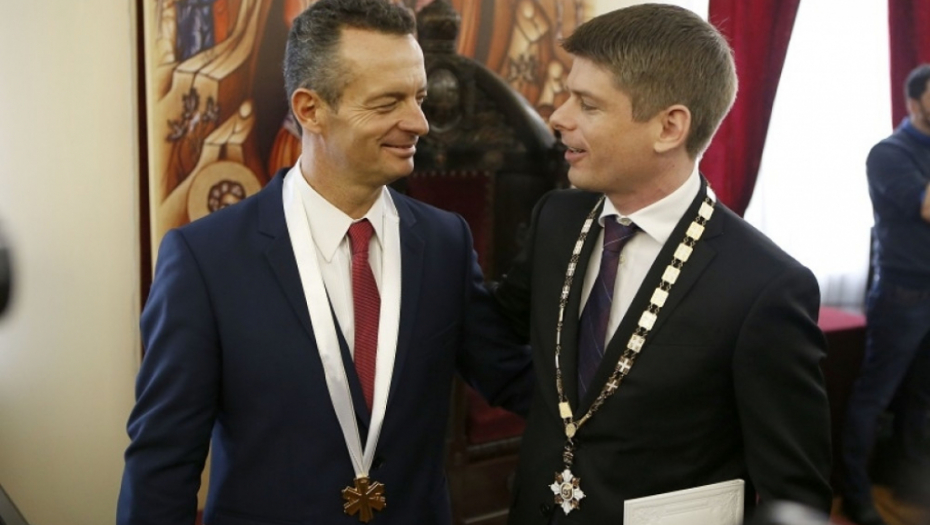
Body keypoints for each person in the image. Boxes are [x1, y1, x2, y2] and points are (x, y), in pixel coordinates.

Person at [117, 1, 532, 523]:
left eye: (419, 97)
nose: (420, 123)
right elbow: (162, 462)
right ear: (310, 109)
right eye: (388, 103)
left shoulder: (445, 242)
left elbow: (514, 378)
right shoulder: (206, 260)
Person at [493, 4, 833, 524]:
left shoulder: (763, 287)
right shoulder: (557, 219)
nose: (558, 117)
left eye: (587, 104)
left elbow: (794, 497)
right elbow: (502, 335)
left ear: (669, 127)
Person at [840, 64, 930, 525]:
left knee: (923, 399)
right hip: (903, 293)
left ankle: (911, 486)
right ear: (913, 102)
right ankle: (855, 492)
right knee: (875, 398)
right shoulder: (889, 153)